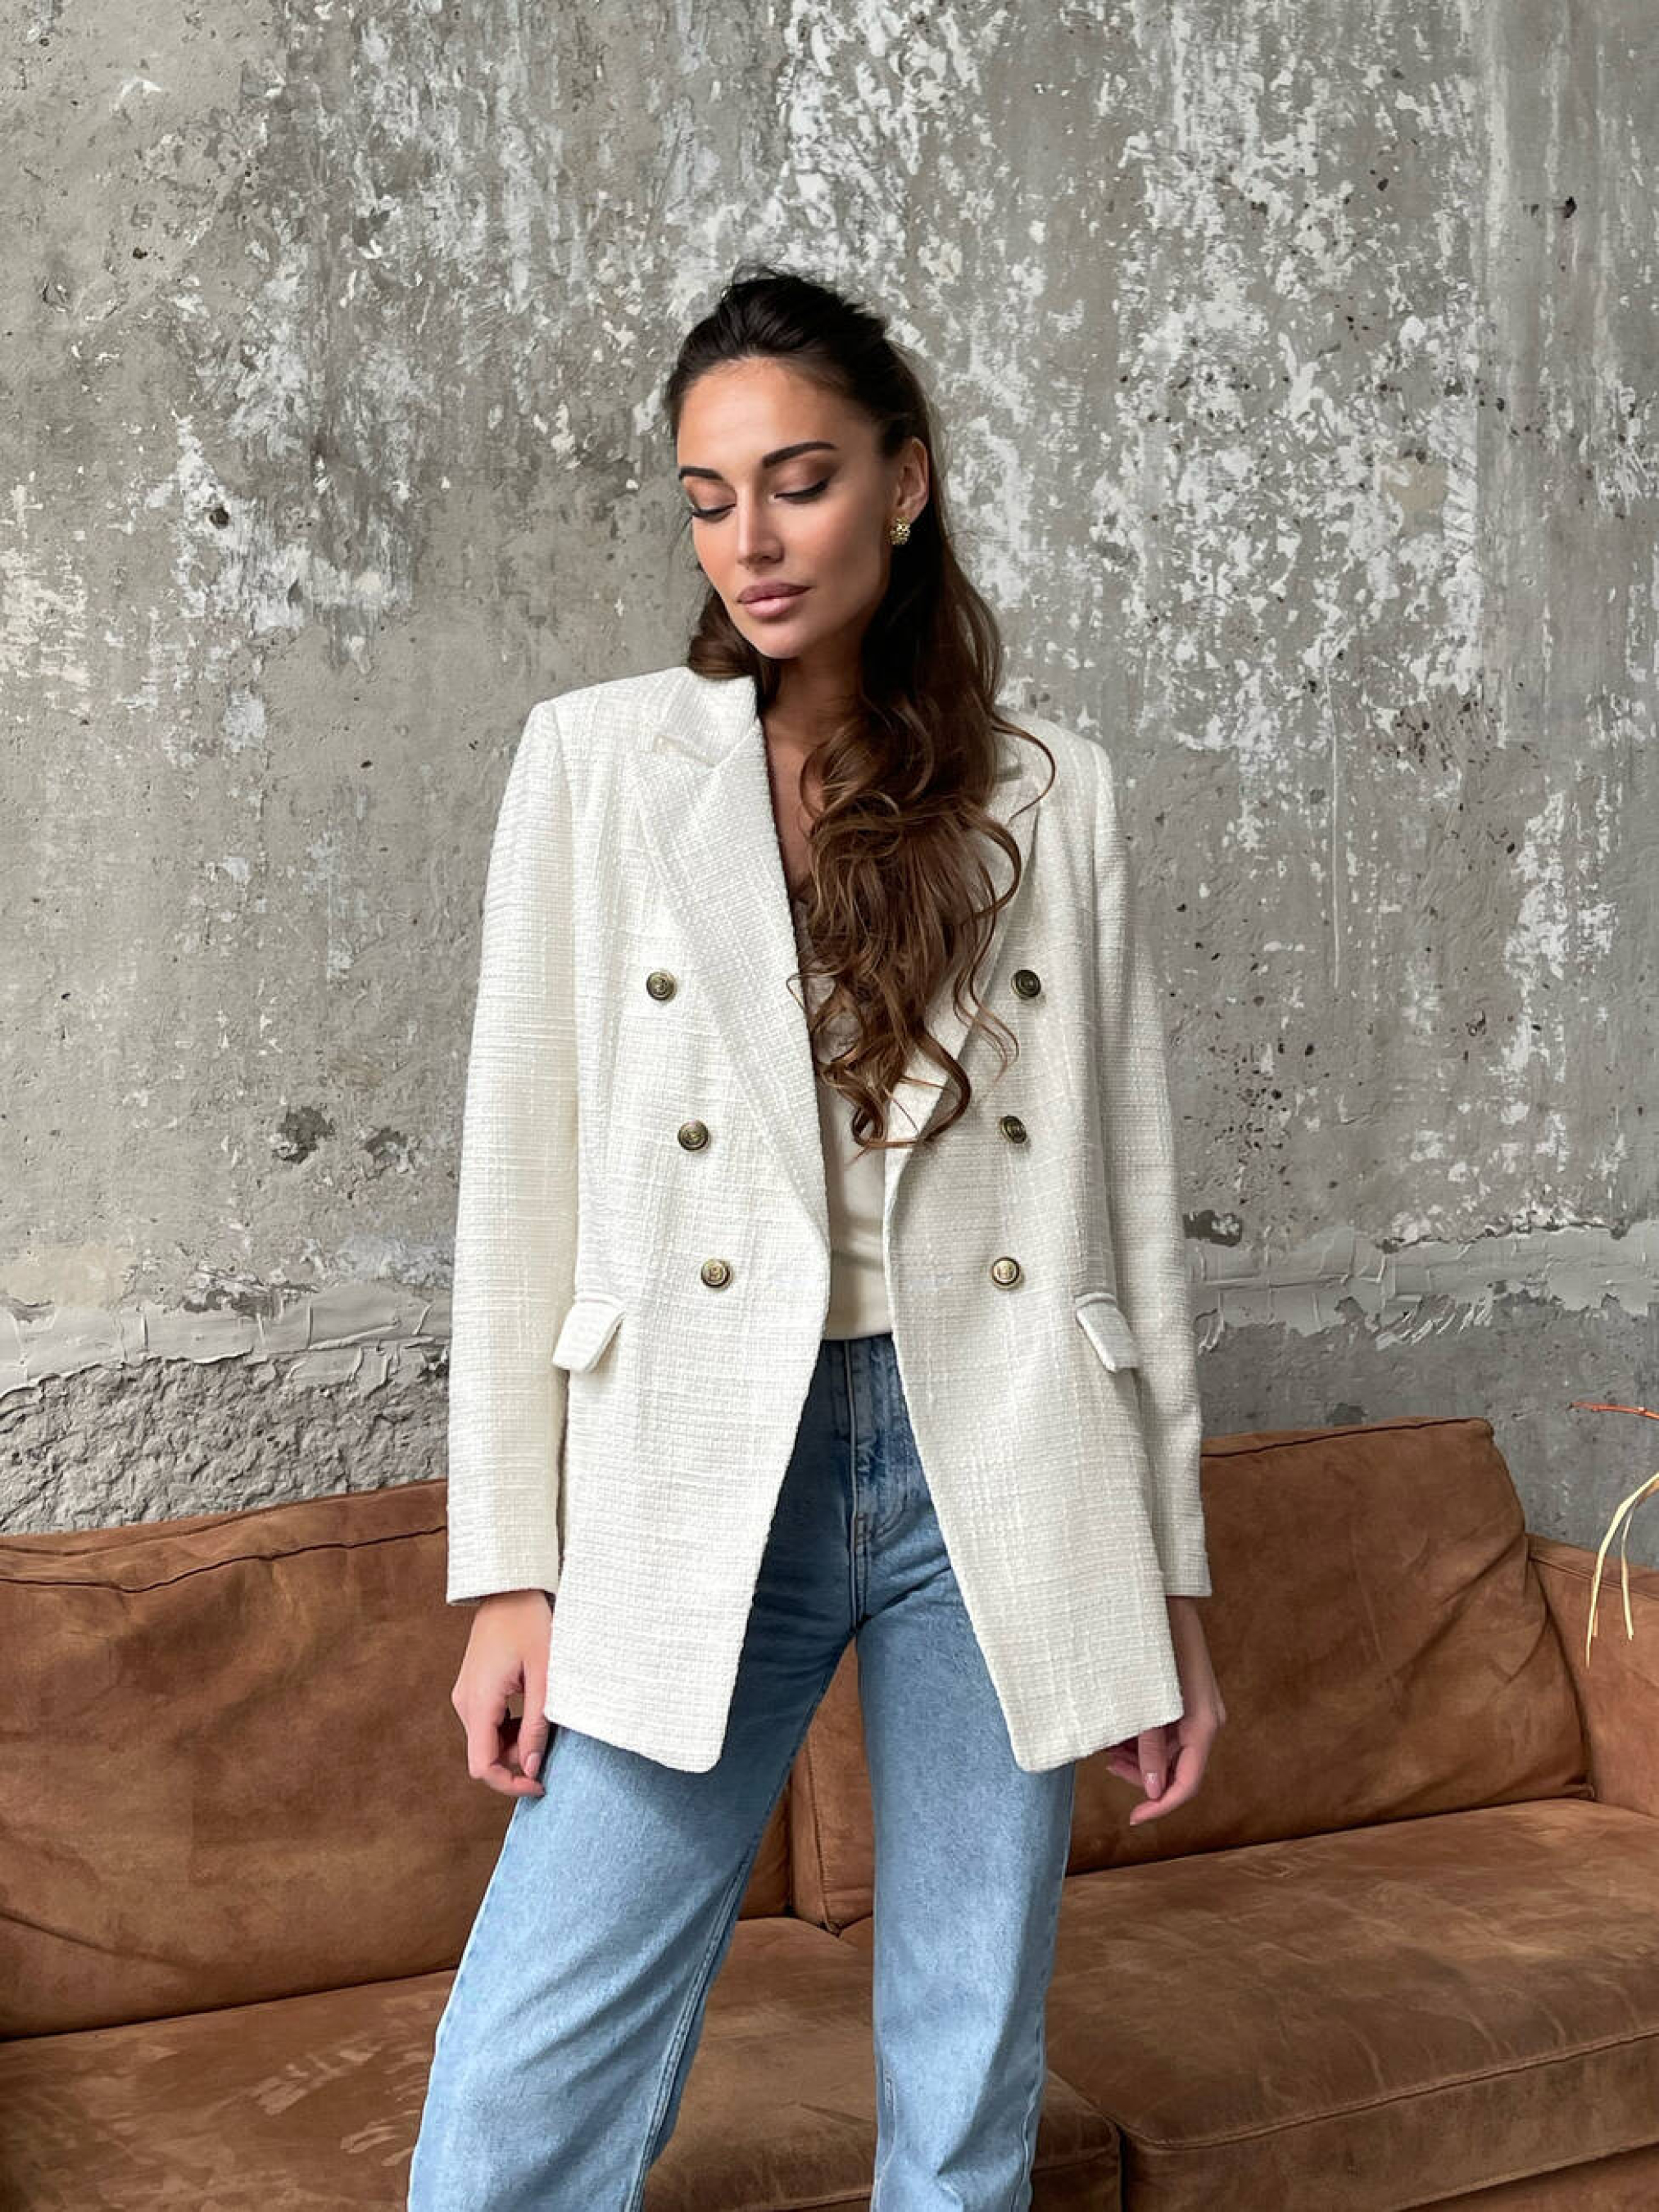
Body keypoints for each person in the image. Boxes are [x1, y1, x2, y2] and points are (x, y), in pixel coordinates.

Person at [408, 262, 1226, 2211]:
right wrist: (507, 1571)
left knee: (964, 2070)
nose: (751, 542)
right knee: (519, 2087)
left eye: (798, 481)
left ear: (903, 481)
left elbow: (1125, 1205)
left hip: (992, 1462)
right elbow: (515, 1182)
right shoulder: (596, 763)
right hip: (708, 1456)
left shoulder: (1051, 795)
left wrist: (1168, 1590)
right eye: (710, 499)